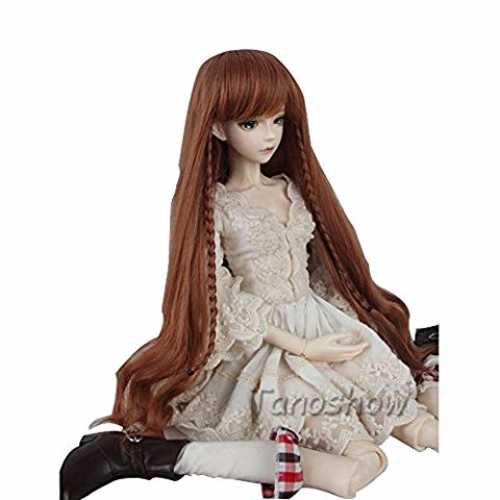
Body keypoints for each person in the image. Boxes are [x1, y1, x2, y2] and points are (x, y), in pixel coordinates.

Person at [60, 49, 439, 499]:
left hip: (319, 323)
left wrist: (353, 320)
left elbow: (319, 271)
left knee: (408, 411)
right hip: (265, 340)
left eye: (278, 120)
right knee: (356, 456)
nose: (270, 135)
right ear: (218, 128)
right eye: (250, 123)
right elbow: (218, 293)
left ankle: (282, 458)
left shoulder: (293, 189)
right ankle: (186, 458)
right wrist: (301, 346)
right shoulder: (218, 205)